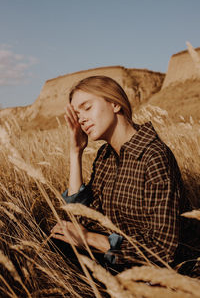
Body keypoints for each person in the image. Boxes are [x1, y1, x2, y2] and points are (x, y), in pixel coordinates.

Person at [51, 75, 186, 272]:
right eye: (77, 115)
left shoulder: (153, 156)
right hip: (119, 261)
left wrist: (89, 238)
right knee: (58, 239)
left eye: (87, 108)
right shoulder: (105, 156)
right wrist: (76, 152)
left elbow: (163, 249)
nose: (81, 120)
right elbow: (81, 218)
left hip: (158, 274)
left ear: (115, 104)